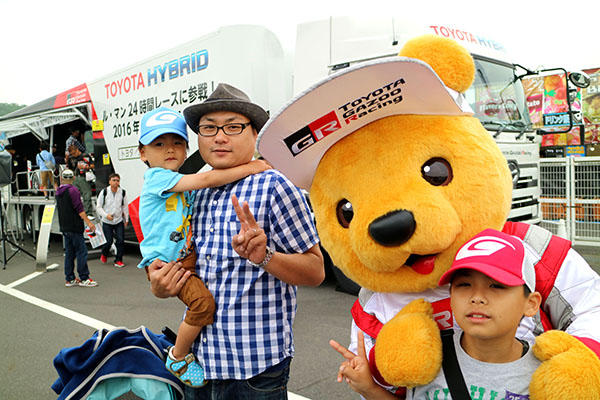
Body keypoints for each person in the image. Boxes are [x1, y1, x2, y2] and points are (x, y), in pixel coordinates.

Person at [146, 83, 325, 399]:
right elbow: (184, 264)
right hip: (199, 364)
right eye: (209, 128)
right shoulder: (192, 192)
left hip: (255, 371)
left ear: (254, 134)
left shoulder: (276, 185)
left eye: (233, 126)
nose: (219, 136)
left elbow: (315, 271)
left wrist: (265, 256)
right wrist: (160, 285)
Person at [137, 106, 271, 388]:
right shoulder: (157, 178)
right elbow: (208, 178)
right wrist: (252, 166)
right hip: (168, 264)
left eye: (176, 143)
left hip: (185, 258)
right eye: (158, 144)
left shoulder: (181, 186)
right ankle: (178, 355)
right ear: (142, 153)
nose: (169, 150)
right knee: (202, 304)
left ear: (186, 149)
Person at [330, 228, 544, 399]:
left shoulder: (546, 374)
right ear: (450, 296)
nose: (477, 297)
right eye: (464, 284)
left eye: (497, 286)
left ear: (531, 304)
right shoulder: (428, 357)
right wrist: (368, 387)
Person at [56, 169, 98, 288]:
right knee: (81, 252)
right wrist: (89, 223)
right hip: (74, 226)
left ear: (62, 178)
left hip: (64, 226)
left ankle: (70, 278)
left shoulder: (59, 191)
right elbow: (80, 209)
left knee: (69, 253)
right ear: (73, 178)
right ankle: (84, 277)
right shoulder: (73, 190)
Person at [96, 173, 129, 268]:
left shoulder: (122, 192)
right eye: (114, 180)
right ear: (109, 181)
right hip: (107, 221)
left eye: (117, 180)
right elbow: (99, 207)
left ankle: (118, 260)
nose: (116, 182)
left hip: (118, 221)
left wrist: (126, 219)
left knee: (121, 240)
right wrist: (106, 215)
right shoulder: (104, 192)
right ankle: (104, 253)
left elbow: (125, 207)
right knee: (108, 241)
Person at [66, 143, 94, 216]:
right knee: (73, 195)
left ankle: (88, 213)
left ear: (77, 150)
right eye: (71, 154)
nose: (73, 155)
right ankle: (75, 212)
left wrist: (86, 167)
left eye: (74, 153)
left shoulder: (85, 156)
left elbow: (93, 165)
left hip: (84, 177)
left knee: (87, 194)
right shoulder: (70, 158)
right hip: (74, 178)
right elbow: (69, 168)